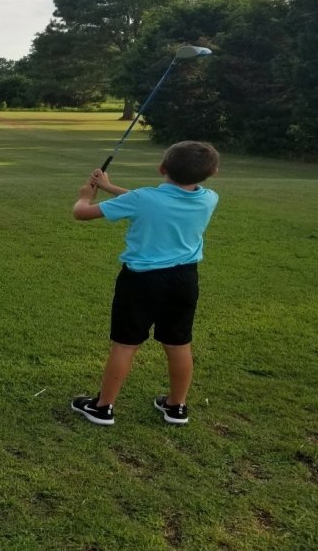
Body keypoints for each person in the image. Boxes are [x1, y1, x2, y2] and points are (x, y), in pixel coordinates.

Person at [69, 141, 220, 426]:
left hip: (141, 282)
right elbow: (151, 201)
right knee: (179, 343)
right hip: (185, 280)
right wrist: (111, 188)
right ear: (212, 172)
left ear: (162, 168)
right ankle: (176, 407)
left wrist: (85, 196)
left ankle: (103, 407)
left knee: (125, 344)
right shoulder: (210, 197)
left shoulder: (144, 199)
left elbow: (82, 213)